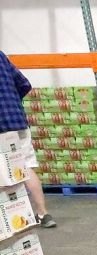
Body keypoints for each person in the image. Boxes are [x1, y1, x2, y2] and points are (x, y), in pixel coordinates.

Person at [0, 51, 57, 228]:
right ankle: (43, 214)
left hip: (1, 127)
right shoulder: (1, 56)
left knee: (4, 174)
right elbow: (24, 84)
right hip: (18, 121)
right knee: (25, 167)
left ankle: (12, 220)